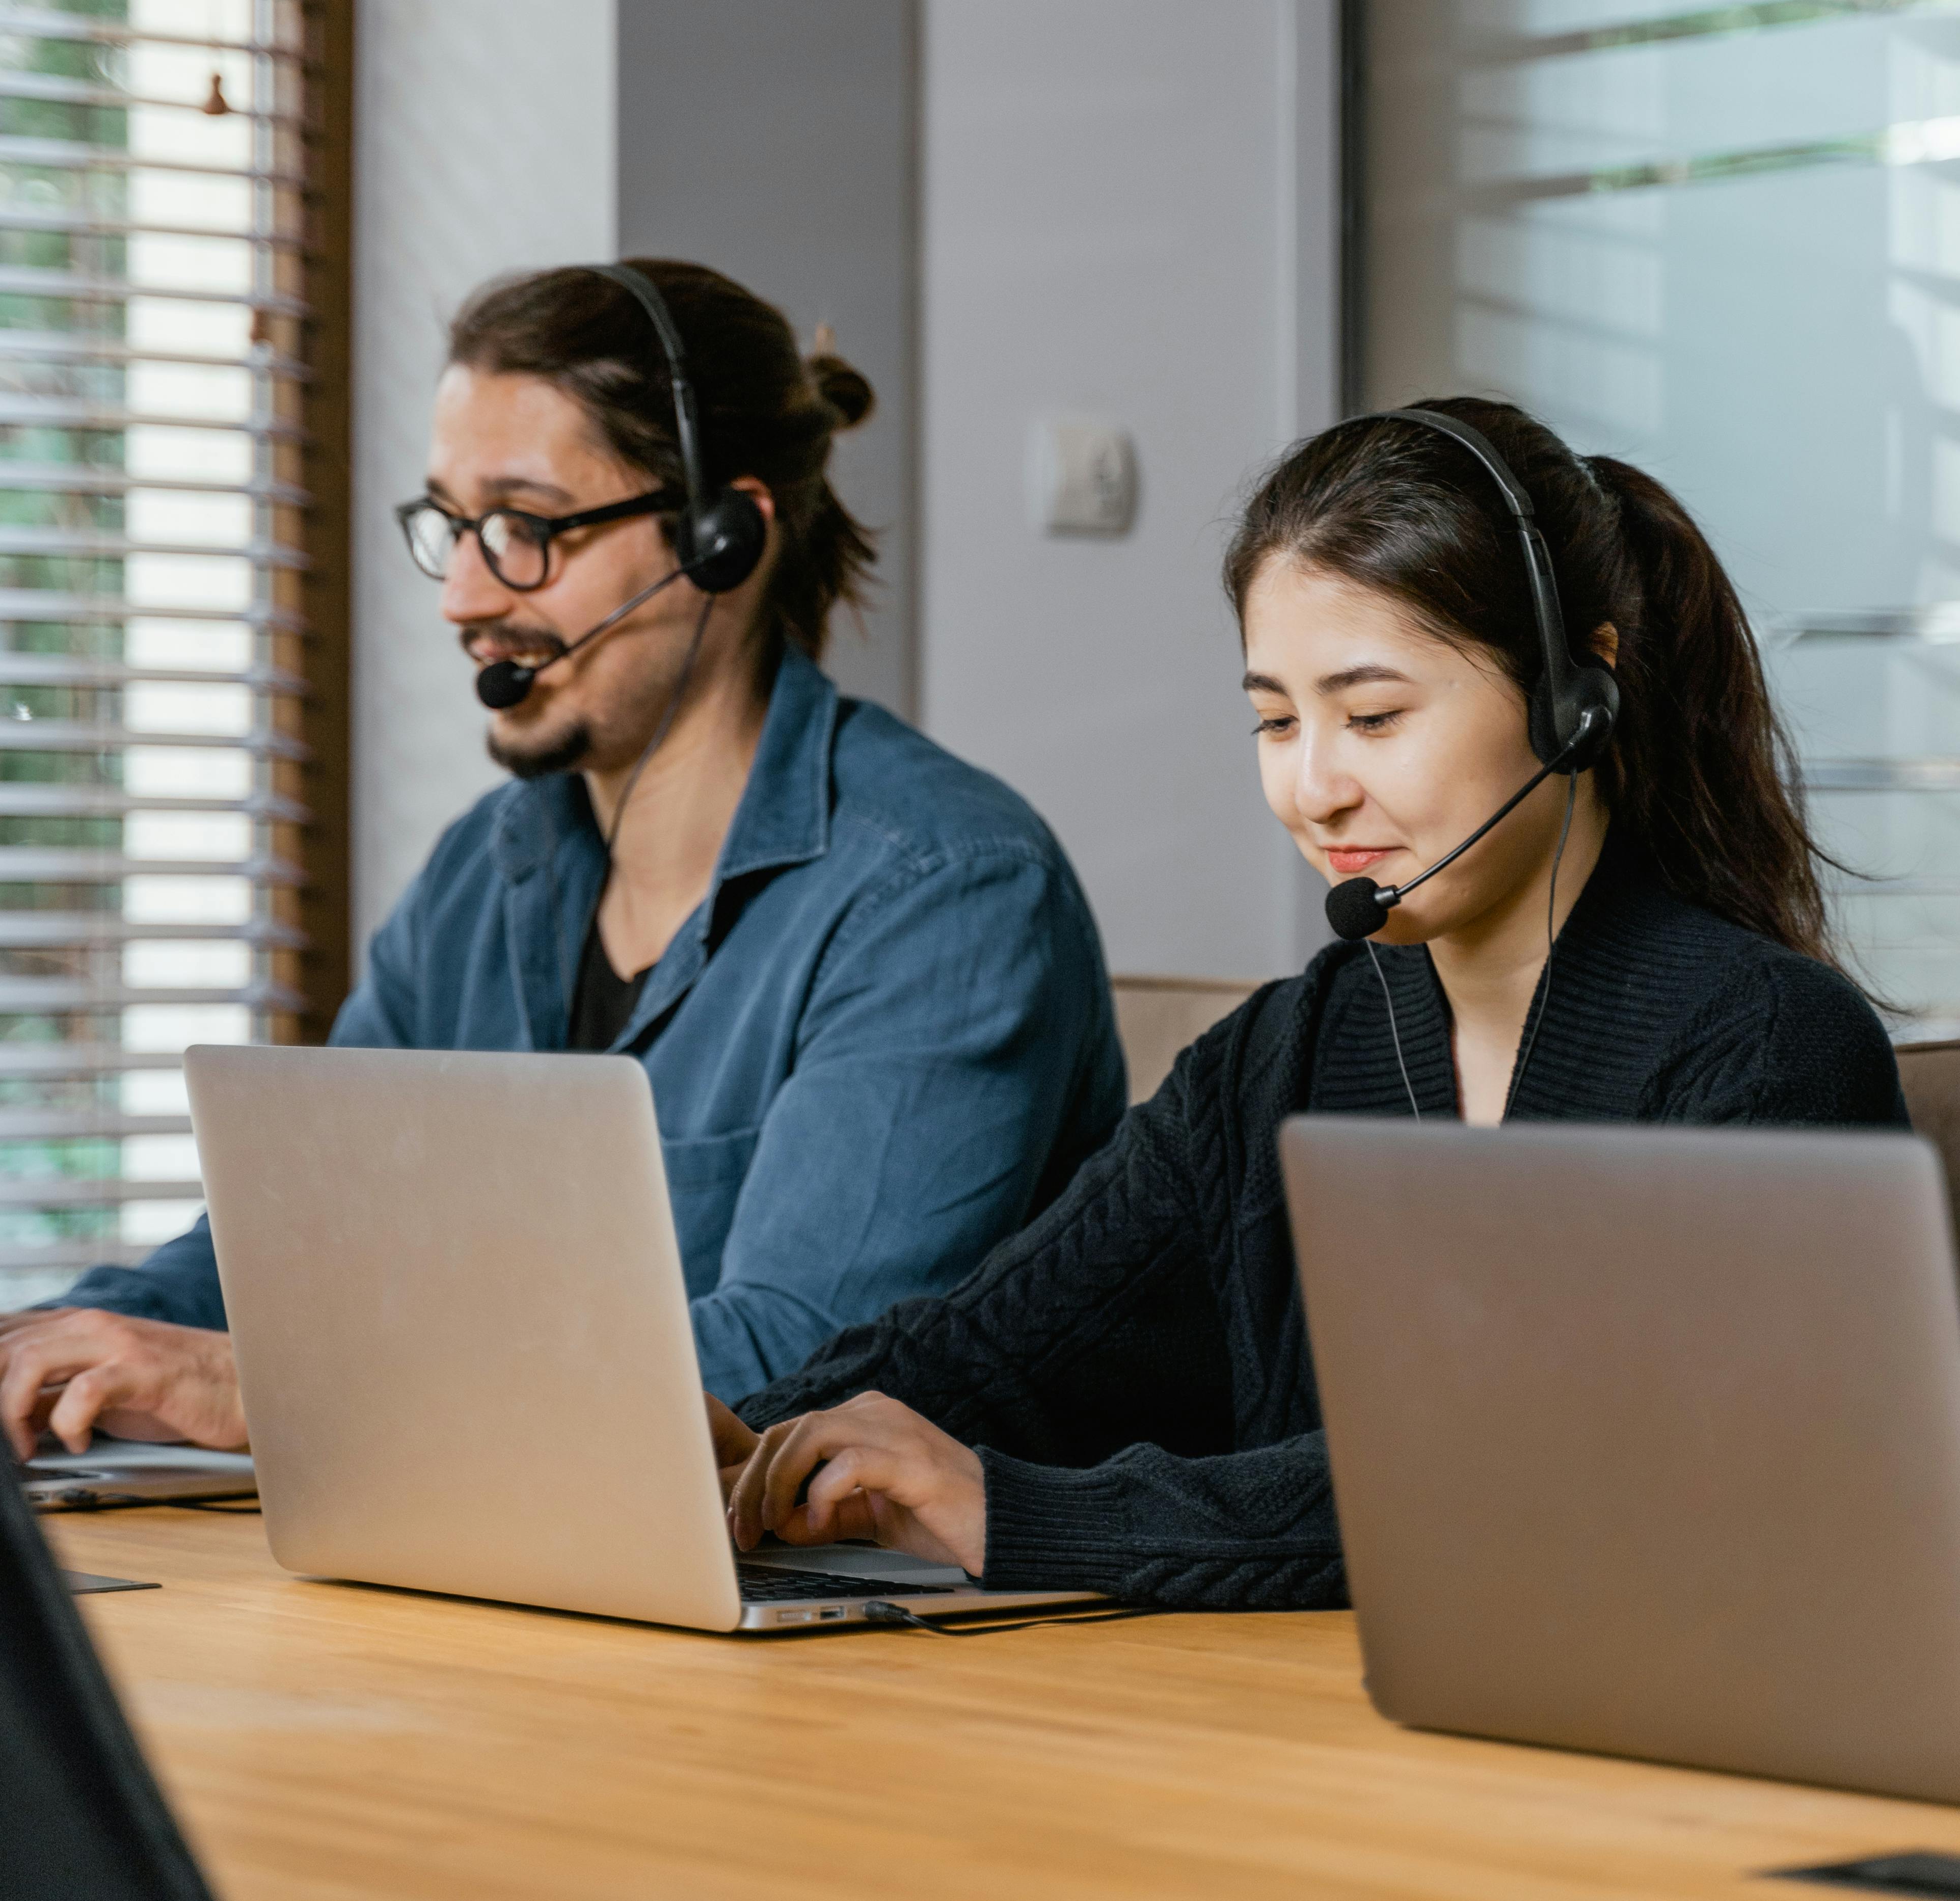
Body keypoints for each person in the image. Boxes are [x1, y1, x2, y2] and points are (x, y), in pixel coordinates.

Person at [709, 400, 1911, 1611]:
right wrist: (742, 1445)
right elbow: (991, 1347)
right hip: (1299, 1734)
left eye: (1374, 717)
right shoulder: (1277, 1062)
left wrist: (1019, 1512)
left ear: (1574, 698)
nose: (1315, 787)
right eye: (1277, 721)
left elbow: (1548, 1479)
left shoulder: (1766, 1053)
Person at [0, 260, 1124, 1458]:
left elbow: (802, 1361)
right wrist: (47, 1347)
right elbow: (298, 1239)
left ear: (723, 540)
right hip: (522, 1557)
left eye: (526, 528)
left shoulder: (946, 890)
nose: (463, 598)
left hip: (859, 1609)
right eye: (454, 528)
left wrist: (269, 1388)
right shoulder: (493, 866)